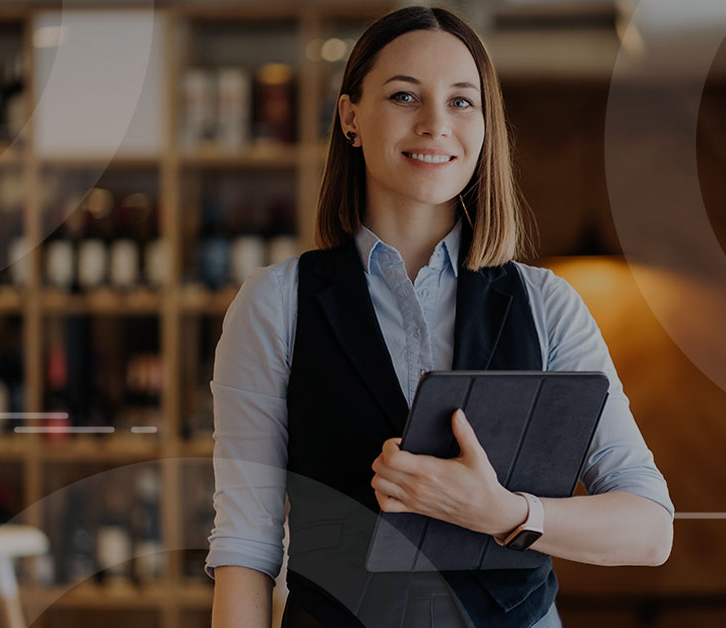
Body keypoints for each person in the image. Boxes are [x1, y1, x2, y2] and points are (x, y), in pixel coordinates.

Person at [207, 6, 674, 628]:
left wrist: (505, 513)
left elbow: (649, 527)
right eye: (405, 96)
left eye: (462, 102)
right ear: (349, 117)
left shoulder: (547, 305)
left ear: (485, 126)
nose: (435, 124)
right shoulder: (274, 305)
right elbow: (246, 546)